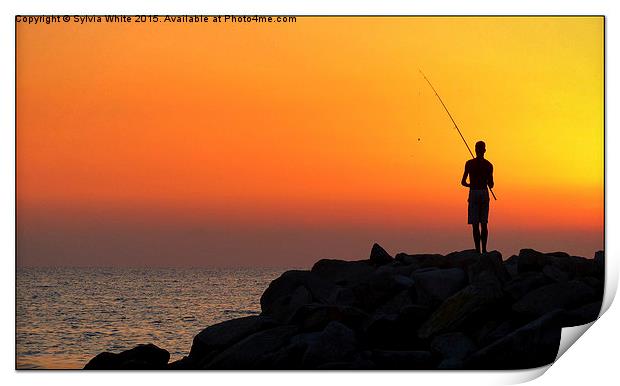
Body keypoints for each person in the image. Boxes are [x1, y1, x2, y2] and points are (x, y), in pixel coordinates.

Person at [461, 141, 494, 253]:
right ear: (484, 150)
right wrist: (488, 183)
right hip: (484, 193)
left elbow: (463, 182)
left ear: (475, 150)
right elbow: (492, 184)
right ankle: (484, 250)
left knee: (475, 225)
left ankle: (477, 251)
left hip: (474, 193)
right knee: (484, 223)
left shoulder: (469, 163)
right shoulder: (489, 165)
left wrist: (471, 184)